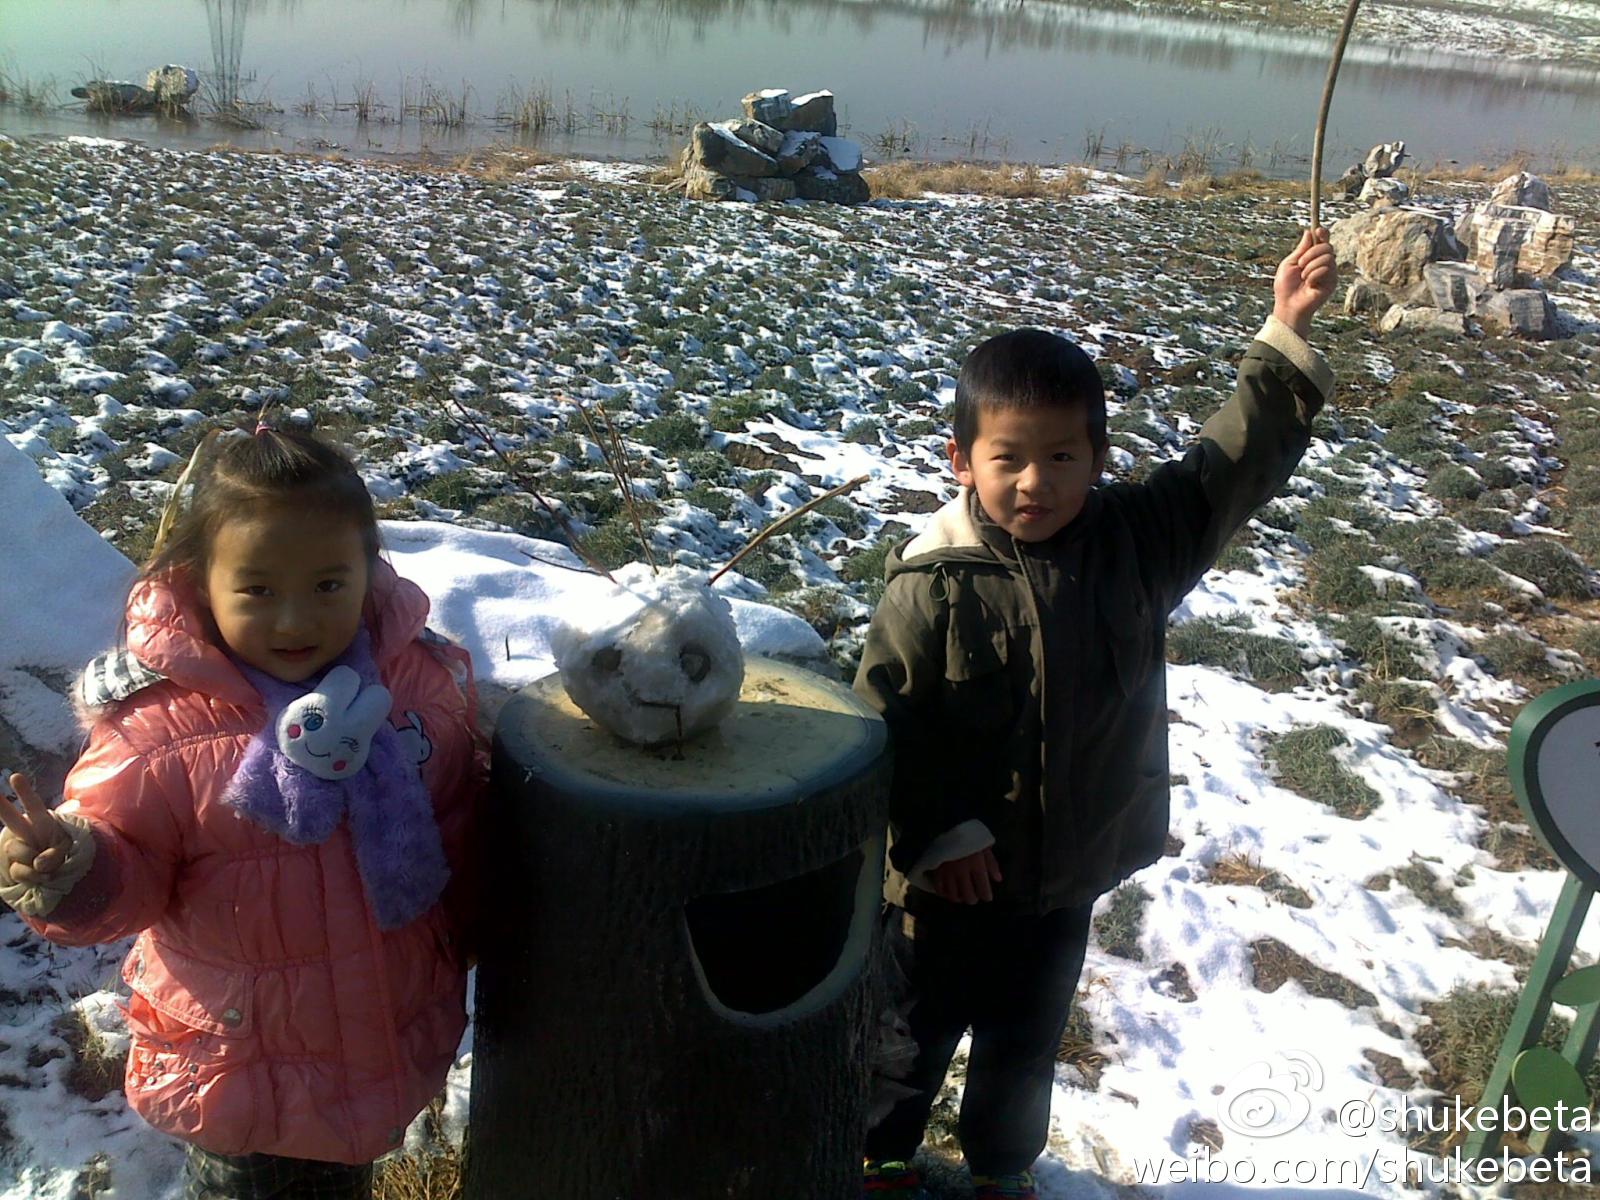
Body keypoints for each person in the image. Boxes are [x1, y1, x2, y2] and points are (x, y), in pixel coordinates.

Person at [854, 229, 1337, 1200]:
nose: (1036, 481)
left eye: (1062, 456)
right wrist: (940, 834)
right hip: (948, 889)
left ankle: (1001, 1172)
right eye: (1009, 458)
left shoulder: (1136, 544)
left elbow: (1226, 467)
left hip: (1063, 879)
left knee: (1024, 1047)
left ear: (1098, 457)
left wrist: (1284, 330)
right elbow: (884, 725)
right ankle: (880, 1160)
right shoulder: (931, 581)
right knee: (907, 1037)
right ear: (961, 459)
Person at [0, 425, 487, 1200]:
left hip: (380, 1045)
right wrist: (70, 865)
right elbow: (129, 873)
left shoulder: (418, 683)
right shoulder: (160, 729)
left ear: (368, 571)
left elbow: (463, 824)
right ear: (202, 583)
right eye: (258, 591)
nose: (295, 621)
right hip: (238, 1071)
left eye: (327, 585)